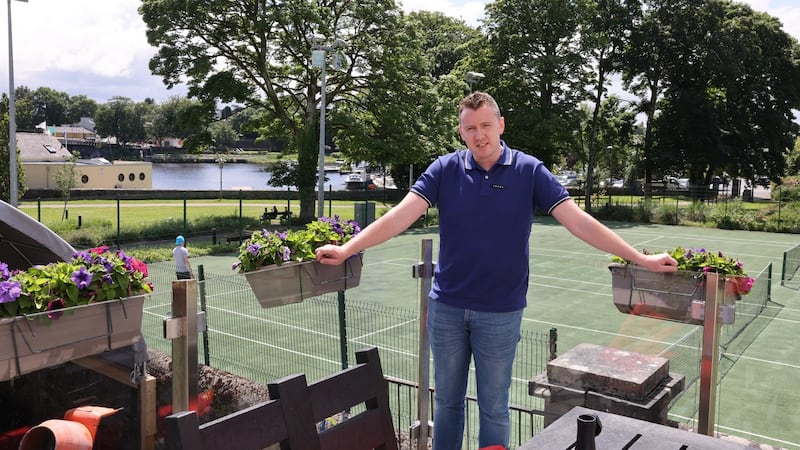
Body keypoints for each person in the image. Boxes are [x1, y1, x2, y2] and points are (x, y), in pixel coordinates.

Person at [315, 91, 677, 450]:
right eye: (470, 128)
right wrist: (349, 248)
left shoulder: (528, 170)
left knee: (494, 409)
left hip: (500, 313)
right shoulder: (445, 169)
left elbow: (578, 222)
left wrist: (639, 259)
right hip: (447, 308)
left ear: (501, 125)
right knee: (447, 404)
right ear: (461, 132)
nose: (479, 135)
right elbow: (400, 216)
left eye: (486, 125)